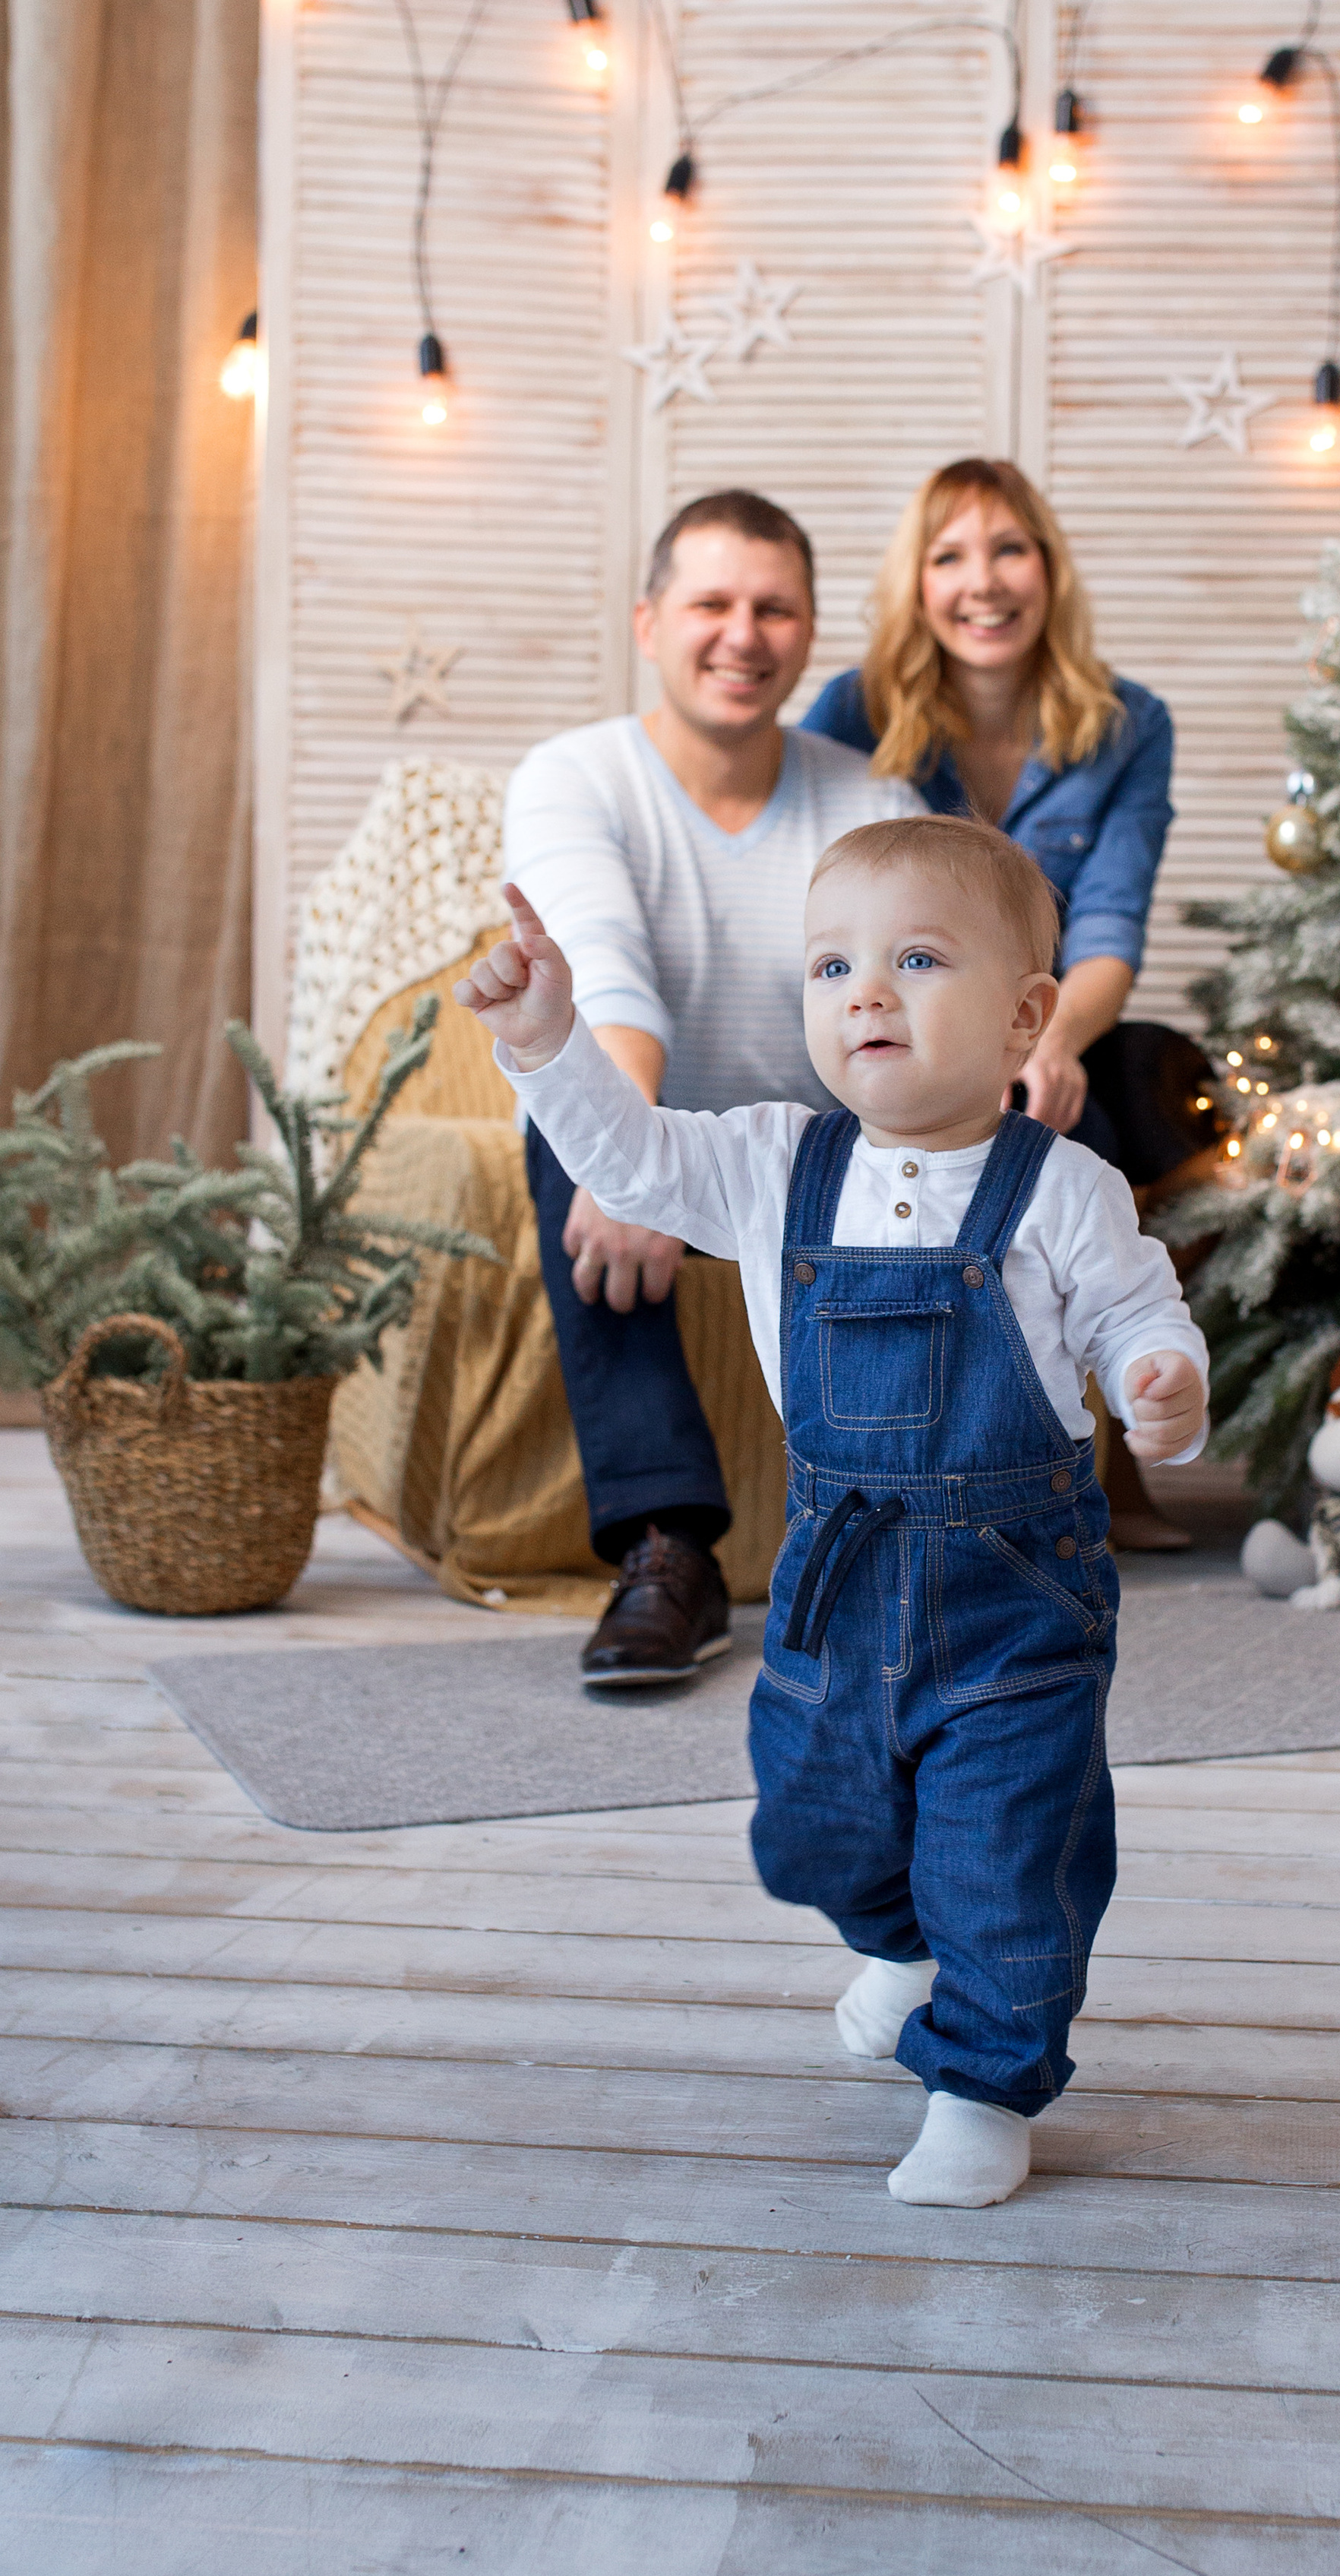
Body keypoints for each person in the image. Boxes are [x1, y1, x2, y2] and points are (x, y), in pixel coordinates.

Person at [457, 818, 1209, 2209]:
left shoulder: (1065, 1190)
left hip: (1013, 1606)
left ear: (1024, 1016)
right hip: (834, 1582)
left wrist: (1163, 1384)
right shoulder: (766, 1163)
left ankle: (985, 2082)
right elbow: (625, 1165)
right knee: (813, 1824)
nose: (865, 990)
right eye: (831, 966)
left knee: (1004, 1849)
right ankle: (901, 1948)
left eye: (917, 959)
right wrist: (551, 1043)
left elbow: (1136, 1314)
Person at [501, 489, 924, 1688]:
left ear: (807, 632)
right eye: (712, 604)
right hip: (653, 1115)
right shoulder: (573, 776)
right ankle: (666, 1549)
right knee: (565, 1133)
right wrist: (627, 1155)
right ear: (649, 623)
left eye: (775, 608)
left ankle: (905, 1536)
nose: (744, 633)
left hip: (818, 1141)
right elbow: (600, 982)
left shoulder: (874, 802)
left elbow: (902, 1018)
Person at [803, 458, 1213, 1550]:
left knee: (1133, 1101)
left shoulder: (1129, 724)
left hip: (1047, 1015)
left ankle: (1107, 1443)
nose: (982, 583)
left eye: (1008, 549)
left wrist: (1053, 1043)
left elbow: (1113, 929)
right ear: (918, 585)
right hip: (904, 1035)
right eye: (949, 557)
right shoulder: (855, 711)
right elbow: (825, 910)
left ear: (1048, 568)